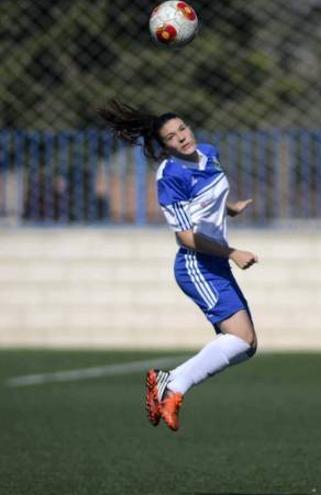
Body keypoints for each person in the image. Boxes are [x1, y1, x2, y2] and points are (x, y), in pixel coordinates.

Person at [98, 100, 259, 432]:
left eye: (182, 128)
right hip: (197, 264)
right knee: (241, 339)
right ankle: (172, 384)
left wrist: (229, 209)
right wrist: (232, 252)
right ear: (165, 145)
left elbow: (207, 200)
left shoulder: (209, 153)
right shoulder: (169, 176)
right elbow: (186, 237)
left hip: (215, 262)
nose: (182, 137)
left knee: (247, 347)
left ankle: (170, 383)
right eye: (171, 136)